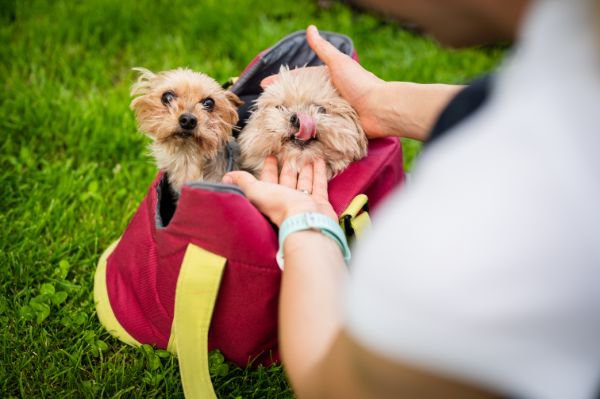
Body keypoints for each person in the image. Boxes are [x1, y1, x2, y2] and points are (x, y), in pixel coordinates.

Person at [223, 0, 600, 397]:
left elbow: (332, 385)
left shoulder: (468, 251)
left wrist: (306, 221)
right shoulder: (568, 63)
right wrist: (381, 102)